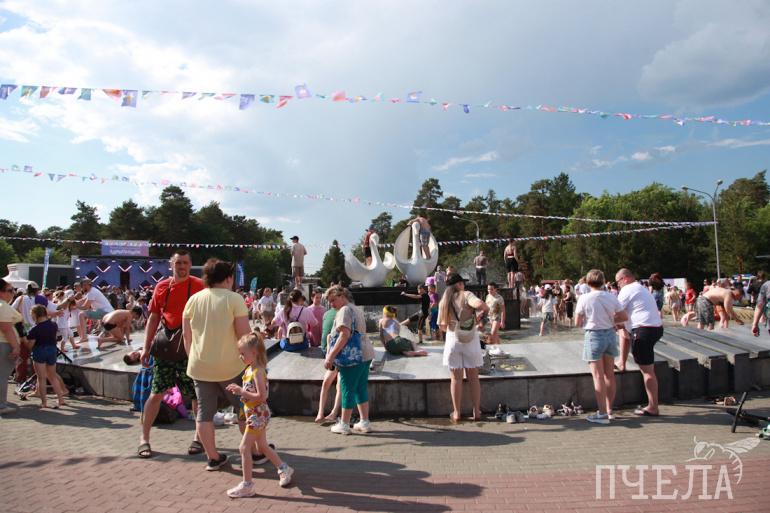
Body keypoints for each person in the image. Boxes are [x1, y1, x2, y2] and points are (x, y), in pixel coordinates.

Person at [183, 258, 252, 470]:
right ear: (229, 278)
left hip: (199, 366)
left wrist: (193, 358)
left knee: (204, 413)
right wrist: (252, 360)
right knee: (244, 408)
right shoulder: (234, 299)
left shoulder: (193, 300)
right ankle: (254, 451)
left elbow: (186, 336)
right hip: (230, 366)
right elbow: (244, 335)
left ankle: (213, 457)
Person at [137, 249, 205, 459]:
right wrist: (146, 347)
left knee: (197, 396)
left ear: (190, 265)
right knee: (156, 393)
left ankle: (199, 438)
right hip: (166, 348)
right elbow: (153, 318)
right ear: (171, 265)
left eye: (185, 263)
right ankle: (144, 439)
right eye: (178, 263)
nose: (181, 266)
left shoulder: (199, 286)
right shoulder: (161, 287)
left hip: (191, 350)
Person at [225, 333, 293, 497]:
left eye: (243, 353)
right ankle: (284, 468)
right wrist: (242, 392)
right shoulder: (250, 369)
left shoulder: (257, 371)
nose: (240, 356)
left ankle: (247, 485)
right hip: (255, 413)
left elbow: (262, 396)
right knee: (262, 446)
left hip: (258, 414)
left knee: (244, 448)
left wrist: (241, 392)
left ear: (254, 352)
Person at [575, 270, 628, 425]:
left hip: (594, 336)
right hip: (610, 335)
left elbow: (578, 322)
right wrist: (611, 319)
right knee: (609, 375)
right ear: (603, 281)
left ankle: (602, 414)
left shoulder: (584, 298)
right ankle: (609, 410)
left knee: (598, 376)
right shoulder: (611, 297)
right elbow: (624, 316)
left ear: (588, 282)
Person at [323, 285, 375, 435]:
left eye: (333, 300)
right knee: (360, 388)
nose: (331, 304)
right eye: (329, 301)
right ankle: (364, 422)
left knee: (347, 388)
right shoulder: (355, 308)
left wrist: (331, 356)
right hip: (365, 353)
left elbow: (344, 334)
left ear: (342, 296)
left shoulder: (344, 310)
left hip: (352, 356)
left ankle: (344, 424)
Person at [438, 273, 489, 423]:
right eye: (462, 283)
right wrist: (480, 318)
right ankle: (476, 411)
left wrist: (454, 326)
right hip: (470, 339)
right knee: (473, 377)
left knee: (455, 379)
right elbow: (481, 305)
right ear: (459, 284)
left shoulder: (444, 301)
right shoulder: (466, 295)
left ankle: (457, 413)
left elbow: (442, 326)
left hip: (453, 339)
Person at [615, 268, 663, 417]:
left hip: (643, 330)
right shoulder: (640, 288)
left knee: (647, 371)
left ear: (624, 279)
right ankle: (621, 362)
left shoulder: (627, 289)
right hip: (655, 328)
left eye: (618, 282)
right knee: (623, 330)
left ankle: (653, 407)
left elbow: (616, 312)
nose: (618, 286)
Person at [26, 304, 69, 409]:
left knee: (41, 378)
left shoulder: (34, 329)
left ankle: (44, 402)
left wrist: (24, 341)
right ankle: (61, 399)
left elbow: (30, 345)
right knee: (52, 376)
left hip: (39, 351)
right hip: (52, 350)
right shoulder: (53, 325)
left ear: (35, 315)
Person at [315, 304, 341, 424]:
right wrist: (328, 356)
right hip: (333, 359)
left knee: (339, 385)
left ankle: (334, 413)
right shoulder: (335, 323)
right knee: (326, 382)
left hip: (343, 360)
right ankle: (320, 412)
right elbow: (329, 337)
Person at [0, 279, 22, 415]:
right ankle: (1, 405)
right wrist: (15, 347)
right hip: (4, 345)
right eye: (10, 290)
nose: (12, 293)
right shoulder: (2, 306)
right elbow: (6, 329)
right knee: (2, 376)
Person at [76, 279, 114, 345]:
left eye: (82, 286)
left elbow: (85, 307)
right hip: (108, 312)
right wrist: (72, 303)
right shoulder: (92, 290)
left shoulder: (92, 292)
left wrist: (75, 306)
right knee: (106, 333)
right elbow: (82, 300)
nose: (81, 288)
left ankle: (84, 337)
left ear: (85, 285)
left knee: (81, 314)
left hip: (105, 312)